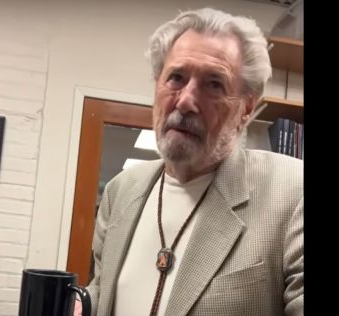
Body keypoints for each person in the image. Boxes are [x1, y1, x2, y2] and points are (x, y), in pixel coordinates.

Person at [75, 7, 303, 316]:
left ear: (246, 107)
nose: (185, 101)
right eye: (176, 78)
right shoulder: (121, 192)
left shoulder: (291, 195)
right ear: (157, 84)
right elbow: (105, 291)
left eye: (214, 84)